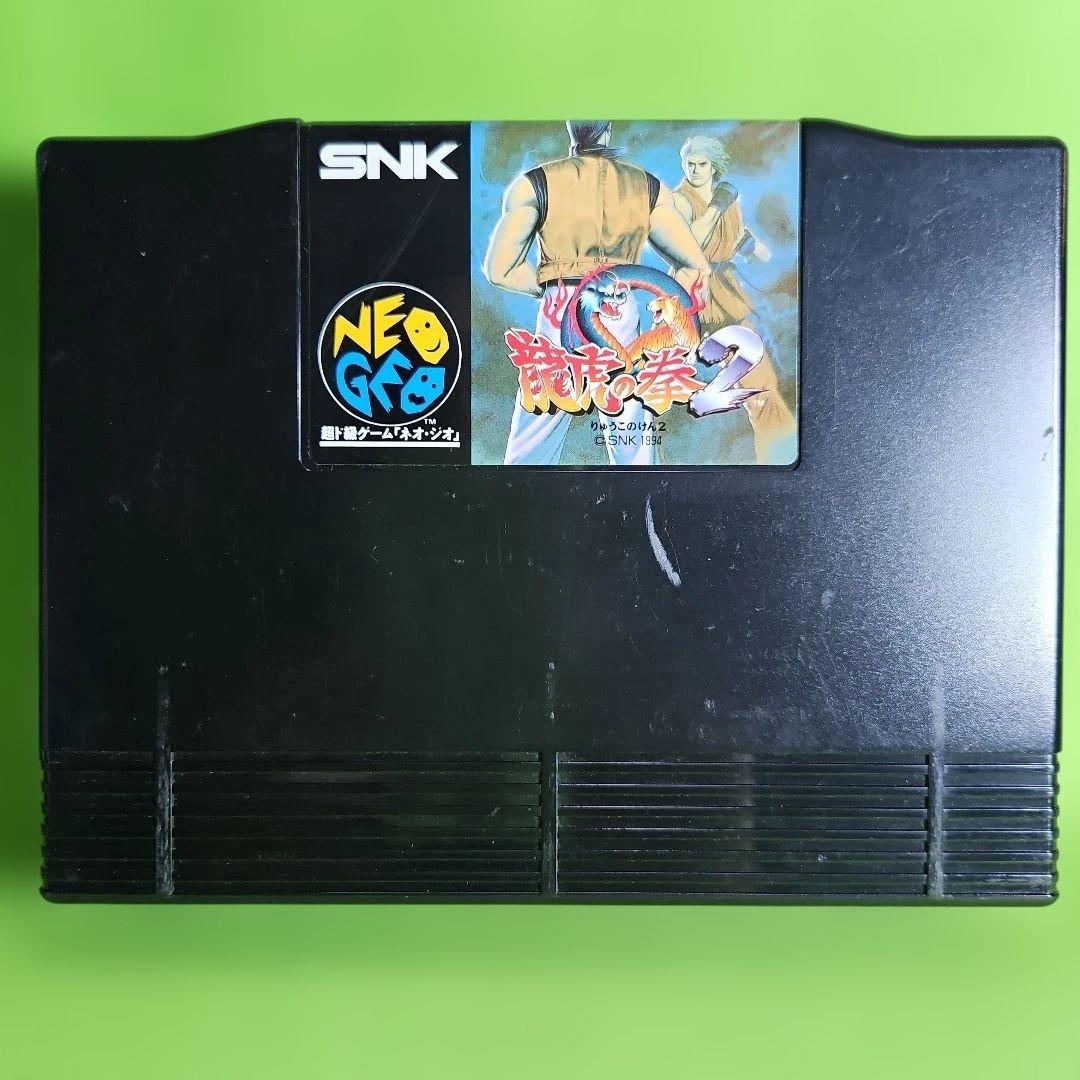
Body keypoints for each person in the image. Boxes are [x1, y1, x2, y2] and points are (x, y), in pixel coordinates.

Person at [484, 121, 711, 466]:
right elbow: (694, 266)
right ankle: (637, 494)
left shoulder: (535, 183)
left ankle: (516, 493)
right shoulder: (648, 187)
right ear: (608, 130)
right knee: (630, 424)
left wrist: (551, 288)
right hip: (619, 302)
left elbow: (500, 269)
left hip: (560, 305)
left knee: (537, 422)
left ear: (571, 130)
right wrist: (664, 317)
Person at [673, 135, 797, 465]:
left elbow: (751, 245)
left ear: (714, 167)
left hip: (729, 294)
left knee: (762, 385)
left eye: (701, 164)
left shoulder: (727, 200)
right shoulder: (680, 201)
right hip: (697, 297)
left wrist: (752, 247)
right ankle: (777, 454)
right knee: (756, 386)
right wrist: (717, 206)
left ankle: (778, 454)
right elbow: (688, 245)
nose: (694, 170)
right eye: (689, 164)